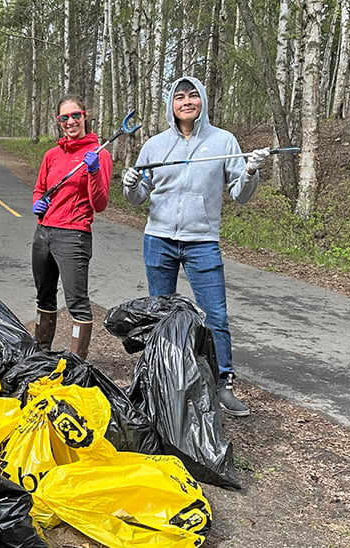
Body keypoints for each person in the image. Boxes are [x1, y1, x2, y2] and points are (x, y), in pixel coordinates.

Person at [121, 76, 270, 417]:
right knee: (160, 315)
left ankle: (223, 384)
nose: (186, 101)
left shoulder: (223, 141)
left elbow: (240, 195)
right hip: (158, 239)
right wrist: (129, 185)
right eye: (179, 97)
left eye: (193, 96)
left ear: (202, 100)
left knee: (214, 314)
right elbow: (138, 197)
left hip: (202, 242)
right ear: (170, 105)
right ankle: (158, 379)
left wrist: (249, 171)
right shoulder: (155, 146)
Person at [30, 95, 113, 360]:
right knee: (44, 296)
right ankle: (41, 355)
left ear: (85, 116)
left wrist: (93, 171)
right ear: (59, 122)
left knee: (77, 303)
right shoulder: (52, 155)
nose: (70, 122)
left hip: (73, 235)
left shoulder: (99, 155)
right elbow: (40, 189)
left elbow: (99, 203)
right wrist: (37, 203)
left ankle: (77, 361)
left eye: (75, 115)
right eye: (64, 118)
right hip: (44, 233)